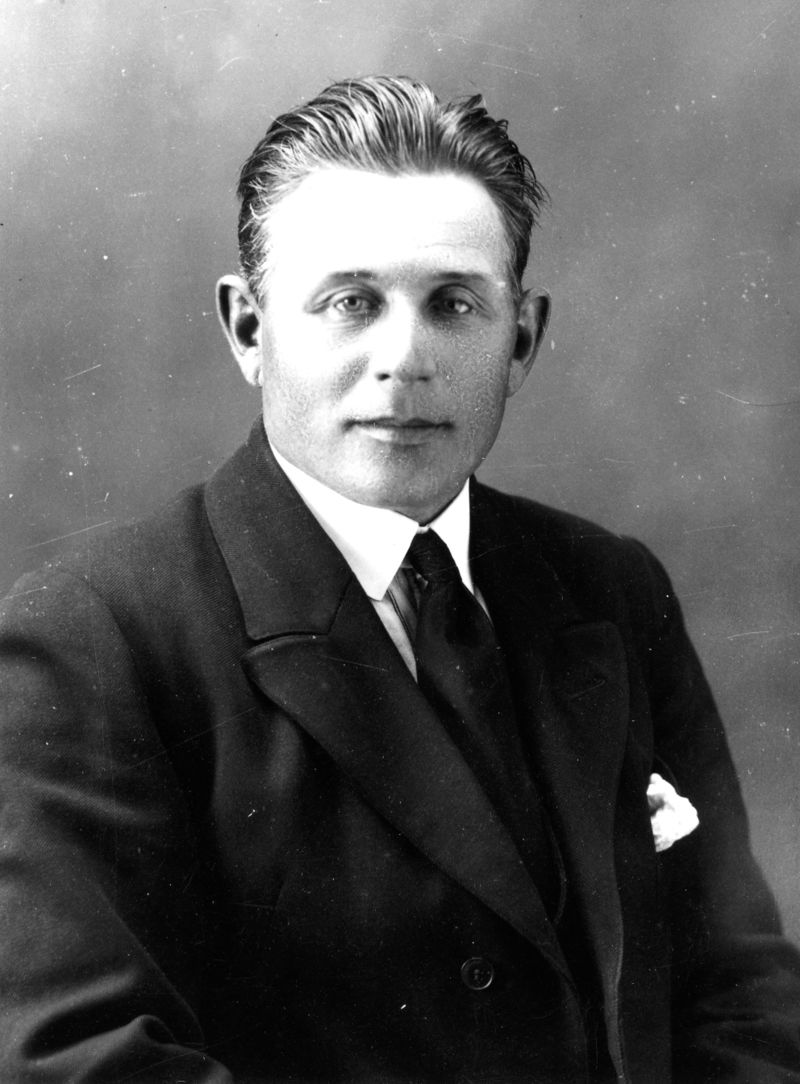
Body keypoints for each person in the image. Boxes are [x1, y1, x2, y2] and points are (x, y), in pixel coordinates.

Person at [0, 75, 798, 1084]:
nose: (403, 359)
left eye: (453, 304)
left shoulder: (609, 588)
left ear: (521, 339)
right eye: (351, 302)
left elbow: (741, 994)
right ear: (249, 329)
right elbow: (78, 1057)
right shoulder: (96, 634)